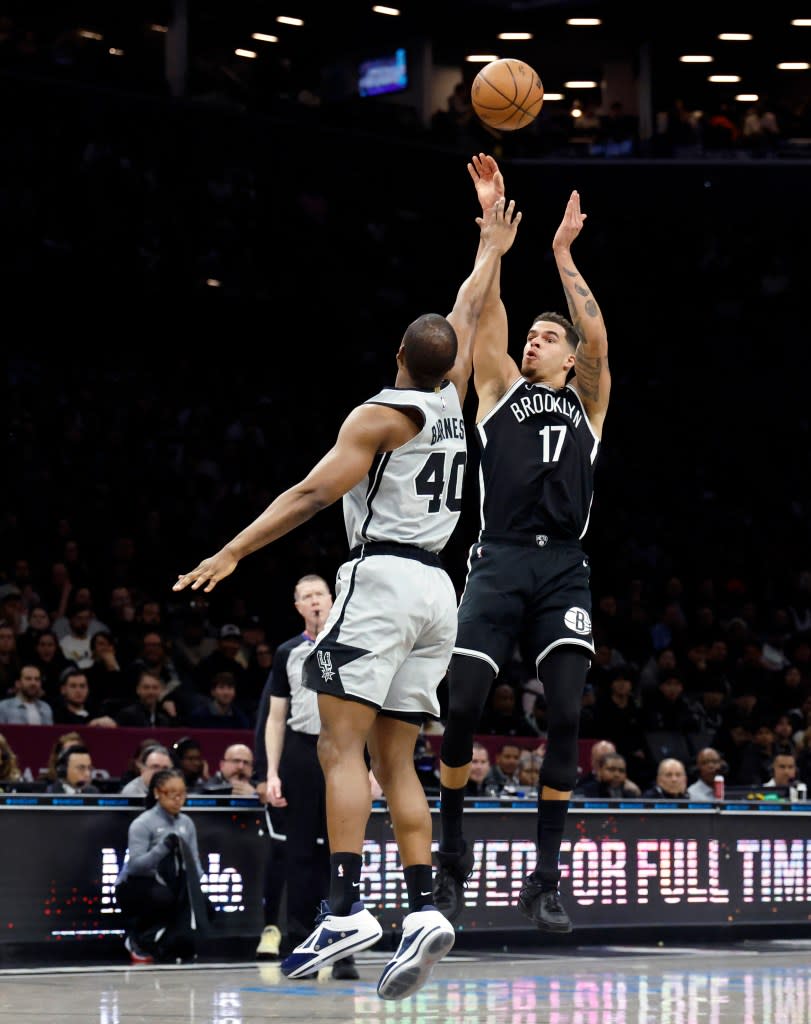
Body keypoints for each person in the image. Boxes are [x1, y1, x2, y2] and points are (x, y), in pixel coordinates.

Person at [173, 193, 521, 1000]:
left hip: (383, 580)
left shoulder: (381, 414)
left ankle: (342, 904)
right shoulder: (455, 401)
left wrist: (230, 551)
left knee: (337, 749)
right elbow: (466, 313)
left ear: (398, 351)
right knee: (397, 757)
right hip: (442, 590)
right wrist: (490, 245)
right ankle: (426, 903)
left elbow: (306, 494)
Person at [431, 153, 610, 936]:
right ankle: (451, 859)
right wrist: (492, 247)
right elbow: (477, 323)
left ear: (567, 360)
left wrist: (563, 256)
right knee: (460, 705)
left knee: (567, 714)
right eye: (532, 335)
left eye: (548, 338)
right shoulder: (499, 391)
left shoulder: (589, 405)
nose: (534, 342)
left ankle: (544, 879)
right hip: (498, 557)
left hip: (562, 567)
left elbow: (597, 337)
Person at [255, 573, 357, 979]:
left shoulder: (352, 646)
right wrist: (272, 772)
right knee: (298, 854)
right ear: (297, 606)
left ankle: (345, 949)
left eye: (320, 594)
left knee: (343, 854)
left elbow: (372, 713)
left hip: (344, 751)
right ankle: (300, 944)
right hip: (300, 752)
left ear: (331, 600)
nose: (315, 602)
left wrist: (371, 769)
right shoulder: (287, 652)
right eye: (306, 597)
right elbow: (275, 717)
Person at [115, 767, 208, 964]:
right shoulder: (143, 824)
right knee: (162, 897)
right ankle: (138, 939)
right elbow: (135, 866)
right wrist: (163, 848)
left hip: (174, 882)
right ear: (157, 793)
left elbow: (194, 861)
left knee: (205, 906)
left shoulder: (187, 823)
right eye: (171, 794)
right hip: (138, 884)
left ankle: (167, 942)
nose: (178, 799)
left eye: (182, 794)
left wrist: (200, 885)